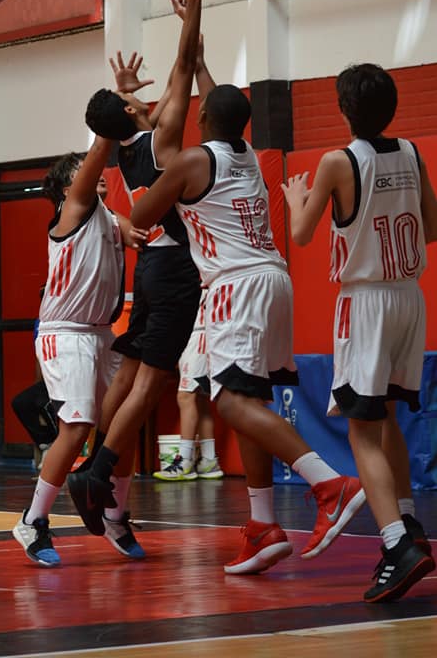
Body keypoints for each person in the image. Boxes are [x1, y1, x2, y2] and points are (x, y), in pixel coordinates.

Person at [130, 83, 366, 575]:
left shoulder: (191, 161)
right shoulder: (249, 157)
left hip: (235, 285)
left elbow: (140, 215)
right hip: (273, 279)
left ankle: (330, 484)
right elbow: (221, 103)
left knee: (231, 402)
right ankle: (263, 526)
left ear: (203, 121)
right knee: (250, 402)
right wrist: (199, 67)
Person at [67, 0, 219, 539]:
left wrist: (125, 97)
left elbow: (138, 108)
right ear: (132, 112)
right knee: (152, 383)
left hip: (148, 270)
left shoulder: (124, 154)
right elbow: (183, 66)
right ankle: (97, 472)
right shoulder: (161, 143)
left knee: (128, 377)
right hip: (175, 268)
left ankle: (94, 462)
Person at [282, 63, 437, 602]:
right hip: (409, 298)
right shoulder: (413, 153)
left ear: (344, 110)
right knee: (386, 415)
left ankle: (396, 544)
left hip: (366, 303)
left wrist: (295, 199)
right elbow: (433, 227)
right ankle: (409, 521)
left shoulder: (337, 161)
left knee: (361, 430)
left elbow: (301, 235)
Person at [12, 140, 146, 566]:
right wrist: (107, 133)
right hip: (65, 332)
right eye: (82, 170)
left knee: (123, 425)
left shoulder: (108, 216)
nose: (96, 173)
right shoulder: (71, 210)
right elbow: (94, 170)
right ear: (68, 188)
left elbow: (137, 232)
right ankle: (32, 520)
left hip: (102, 333)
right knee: (76, 427)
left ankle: (114, 516)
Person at [154, 293, 224, 481]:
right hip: (199, 333)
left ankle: (184, 460)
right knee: (200, 398)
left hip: (198, 333)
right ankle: (209, 460)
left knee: (186, 395)